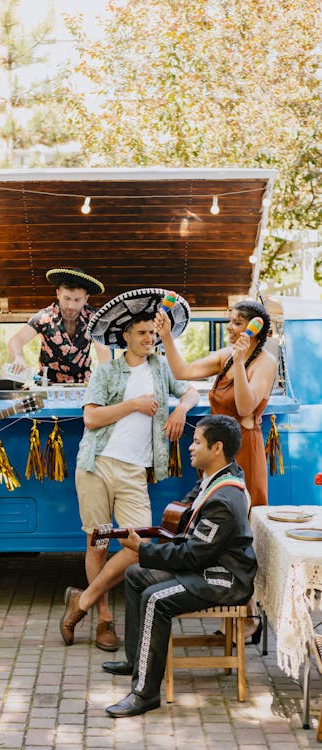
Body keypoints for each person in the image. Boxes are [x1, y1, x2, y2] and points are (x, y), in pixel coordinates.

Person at [59, 288, 199, 652]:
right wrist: (133, 404)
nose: (150, 339)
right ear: (126, 336)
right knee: (99, 541)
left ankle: (83, 600)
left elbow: (192, 391)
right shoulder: (106, 371)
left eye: (153, 333)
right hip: (97, 465)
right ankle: (104, 619)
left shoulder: (161, 368)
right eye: (142, 333)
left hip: (134, 470)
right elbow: (90, 418)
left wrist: (181, 409)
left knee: (141, 545)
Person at [102, 414, 257, 718]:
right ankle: (139, 661)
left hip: (225, 578)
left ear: (217, 448)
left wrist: (144, 549)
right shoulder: (216, 478)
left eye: (197, 441)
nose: (190, 447)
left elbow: (191, 557)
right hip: (208, 564)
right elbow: (188, 527)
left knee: (155, 599)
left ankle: (145, 694)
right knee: (135, 575)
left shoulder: (224, 499)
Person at [155, 298, 276, 640]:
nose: (231, 327)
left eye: (238, 322)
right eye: (231, 321)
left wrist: (239, 362)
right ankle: (234, 611)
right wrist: (166, 337)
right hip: (217, 455)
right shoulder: (225, 356)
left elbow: (244, 405)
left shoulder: (264, 362)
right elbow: (182, 372)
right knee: (214, 528)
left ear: (255, 328)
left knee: (242, 529)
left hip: (244, 452)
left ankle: (248, 615)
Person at [7, 267, 111, 383]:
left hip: (82, 385)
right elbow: (16, 340)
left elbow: (103, 350)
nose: (71, 305)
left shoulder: (94, 317)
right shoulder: (44, 317)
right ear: (58, 294)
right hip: (47, 384)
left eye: (77, 300)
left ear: (86, 298)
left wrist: (105, 380)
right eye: (67, 298)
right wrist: (19, 357)